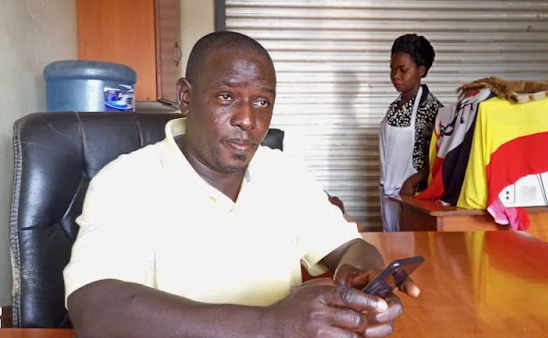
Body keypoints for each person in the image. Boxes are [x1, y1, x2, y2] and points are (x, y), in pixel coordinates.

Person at [64, 31, 420, 337]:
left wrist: (361, 284)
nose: (248, 120)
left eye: (262, 102)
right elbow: (94, 307)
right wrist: (271, 326)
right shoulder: (127, 181)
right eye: (226, 97)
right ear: (186, 97)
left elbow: (352, 248)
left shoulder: (283, 174)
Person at [379, 34, 442, 232]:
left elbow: (440, 156)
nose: (395, 75)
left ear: (421, 70)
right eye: (392, 69)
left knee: (408, 248)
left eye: (403, 70)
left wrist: (412, 181)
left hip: (411, 195)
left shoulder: (431, 108)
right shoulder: (396, 105)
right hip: (388, 189)